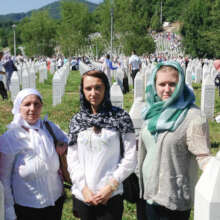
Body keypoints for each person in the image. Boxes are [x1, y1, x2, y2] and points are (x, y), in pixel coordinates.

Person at [138, 61, 211, 220]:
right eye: (162, 84)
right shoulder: (151, 111)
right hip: (147, 193)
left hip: (172, 195)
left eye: (172, 84)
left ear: (180, 85)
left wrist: (214, 171)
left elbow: (203, 155)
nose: (166, 89)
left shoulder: (193, 116)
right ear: (154, 85)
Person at [67, 70, 137, 220]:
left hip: (111, 195)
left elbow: (130, 157)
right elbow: (72, 159)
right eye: (88, 88)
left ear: (106, 89)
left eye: (98, 87)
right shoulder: (77, 120)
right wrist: (84, 189)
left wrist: (110, 187)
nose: (93, 93)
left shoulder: (121, 118)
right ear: (82, 90)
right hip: (83, 195)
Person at [0, 88, 68, 220]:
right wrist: (9, 211)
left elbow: (69, 142)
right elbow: (5, 179)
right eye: (27, 104)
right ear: (19, 107)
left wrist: (63, 145)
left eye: (37, 104)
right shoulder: (10, 138)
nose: (32, 108)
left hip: (55, 201)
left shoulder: (49, 127)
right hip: (27, 207)